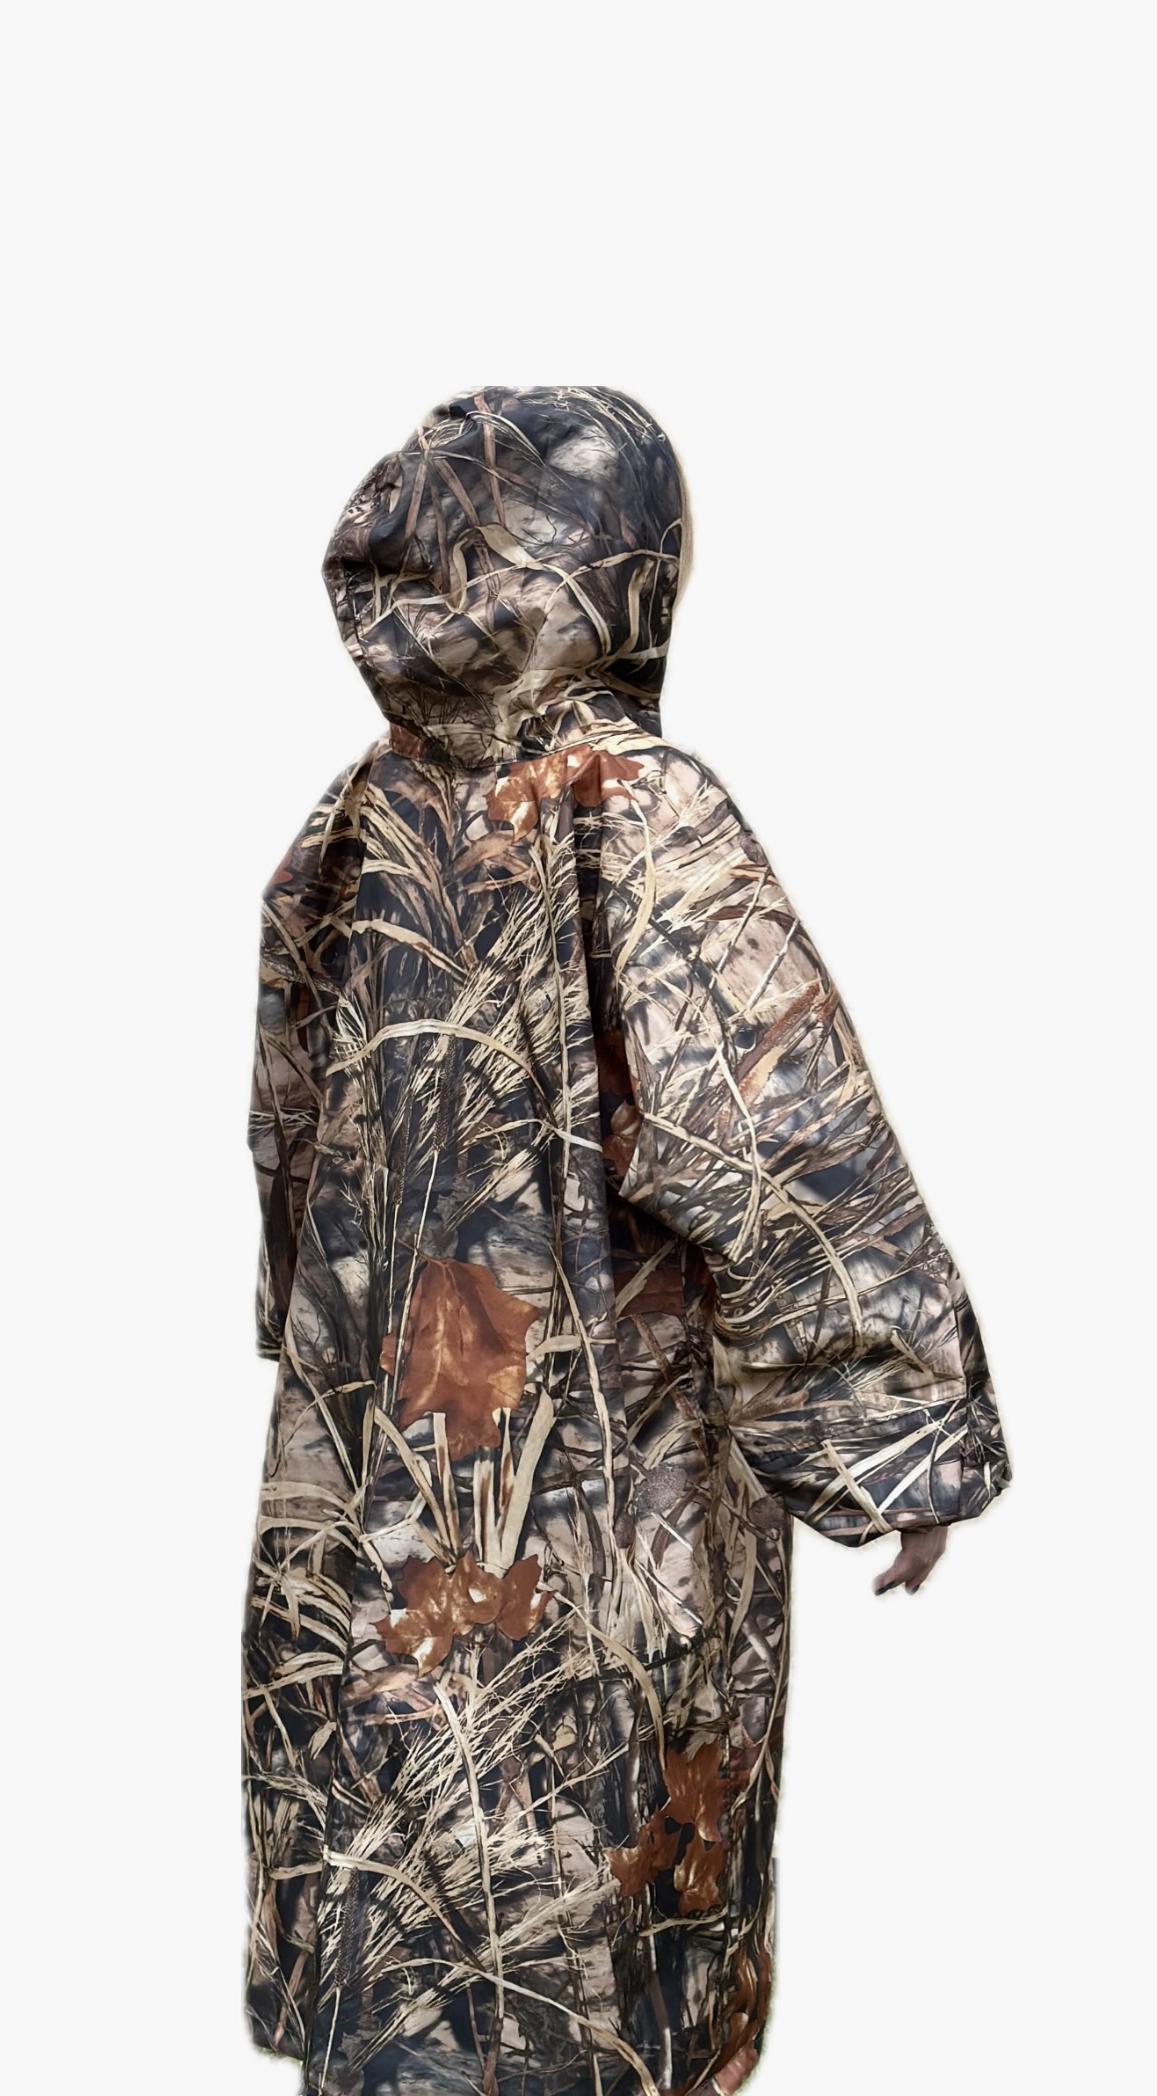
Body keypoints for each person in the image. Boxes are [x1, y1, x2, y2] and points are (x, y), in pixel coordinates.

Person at [242, 385, 1011, 2096]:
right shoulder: (644, 814)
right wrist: (894, 1433)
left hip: (378, 1473)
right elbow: (780, 1137)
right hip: (602, 1494)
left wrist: (313, 1341)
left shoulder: (352, 820)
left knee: (401, 1885)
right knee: (596, 1933)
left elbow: (287, 1140)